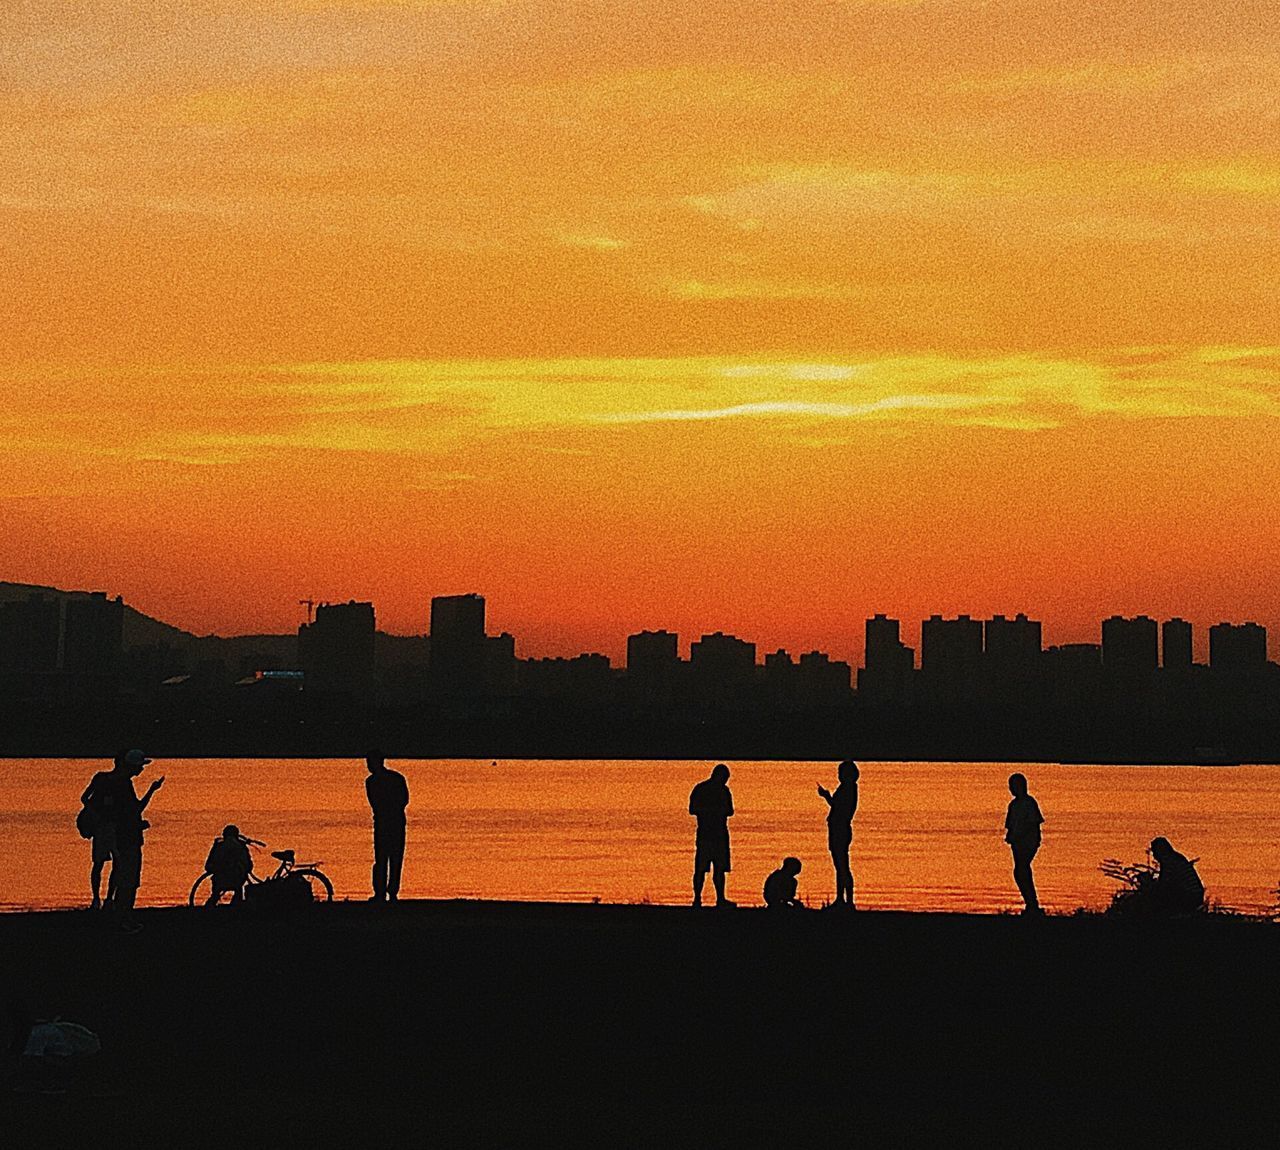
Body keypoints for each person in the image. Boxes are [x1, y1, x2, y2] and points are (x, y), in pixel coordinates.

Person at [101, 750, 164, 930]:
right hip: (128, 839)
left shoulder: (117, 783)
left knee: (122, 877)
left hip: (122, 838)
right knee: (129, 881)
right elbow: (134, 810)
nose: (141, 769)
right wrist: (151, 791)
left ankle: (119, 915)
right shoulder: (123, 785)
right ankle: (124, 919)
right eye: (140, 766)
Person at [688, 763, 735, 908]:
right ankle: (701, 898)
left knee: (714, 869)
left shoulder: (703, 789)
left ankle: (714, 899)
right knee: (705, 869)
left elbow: (729, 811)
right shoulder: (716, 790)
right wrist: (714, 811)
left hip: (712, 834)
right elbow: (693, 809)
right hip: (712, 834)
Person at [365, 755, 409, 902]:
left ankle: (382, 892)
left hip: (385, 823)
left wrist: (387, 811)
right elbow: (404, 800)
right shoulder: (396, 778)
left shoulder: (372, 782)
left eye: (370, 763)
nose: (368, 766)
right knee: (393, 859)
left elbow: (376, 803)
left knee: (383, 859)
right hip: (394, 822)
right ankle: (390, 892)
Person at [817, 760, 859, 908]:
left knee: (842, 865)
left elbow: (839, 807)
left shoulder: (848, 789)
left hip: (840, 829)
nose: (839, 776)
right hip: (838, 828)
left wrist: (826, 796)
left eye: (841, 773)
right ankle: (842, 899)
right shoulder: (848, 788)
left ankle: (847, 900)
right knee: (840, 866)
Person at [1004, 772, 1044, 916]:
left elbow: (1033, 823)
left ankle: (1032, 903)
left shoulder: (1029, 803)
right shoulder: (1013, 805)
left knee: (1022, 869)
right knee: (1020, 871)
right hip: (1017, 842)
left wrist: (1020, 835)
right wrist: (1010, 836)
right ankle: (1030, 903)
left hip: (1028, 842)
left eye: (1014, 786)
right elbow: (1009, 824)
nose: (1011, 789)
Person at [1148, 836, 1205, 915]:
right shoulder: (1177, 857)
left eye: (1154, 852)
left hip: (1190, 895)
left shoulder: (1168, 860)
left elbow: (1164, 882)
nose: (1154, 856)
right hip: (1197, 894)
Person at [203, 825, 254, 906]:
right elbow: (249, 866)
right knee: (238, 892)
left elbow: (208, 866)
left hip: (220, 880)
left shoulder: (218, 846)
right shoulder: (241, 846)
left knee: (215, 895)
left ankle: (209, 907)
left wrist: (217, 869)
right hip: (237, 880)